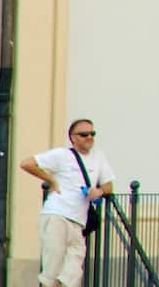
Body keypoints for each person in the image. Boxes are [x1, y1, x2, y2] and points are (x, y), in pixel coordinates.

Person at [20, 119, 116, 287]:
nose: (89, 137)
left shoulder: (98, 157)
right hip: (57, 215)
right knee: (52, 268)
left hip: (78, 221)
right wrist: (50, 180)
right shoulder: (62, 155)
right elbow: (27, 163)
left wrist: (98, 191)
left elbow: (108, 185)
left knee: (72, 272)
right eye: (84, 134)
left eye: (92, 134)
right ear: (73, 138)